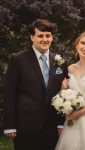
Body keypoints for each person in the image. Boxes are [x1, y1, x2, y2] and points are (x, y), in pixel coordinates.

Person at [3, 19, 68, 150]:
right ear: (32, 37)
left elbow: (64, 95)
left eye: (48, 35)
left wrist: (61, 124)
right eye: (40, 36)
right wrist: (9, 124)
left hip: (52, 126)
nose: (45, 39)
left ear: (52, 37)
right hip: (26, 125)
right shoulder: (18, 59)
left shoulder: (60, 62)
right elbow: (10, 94)